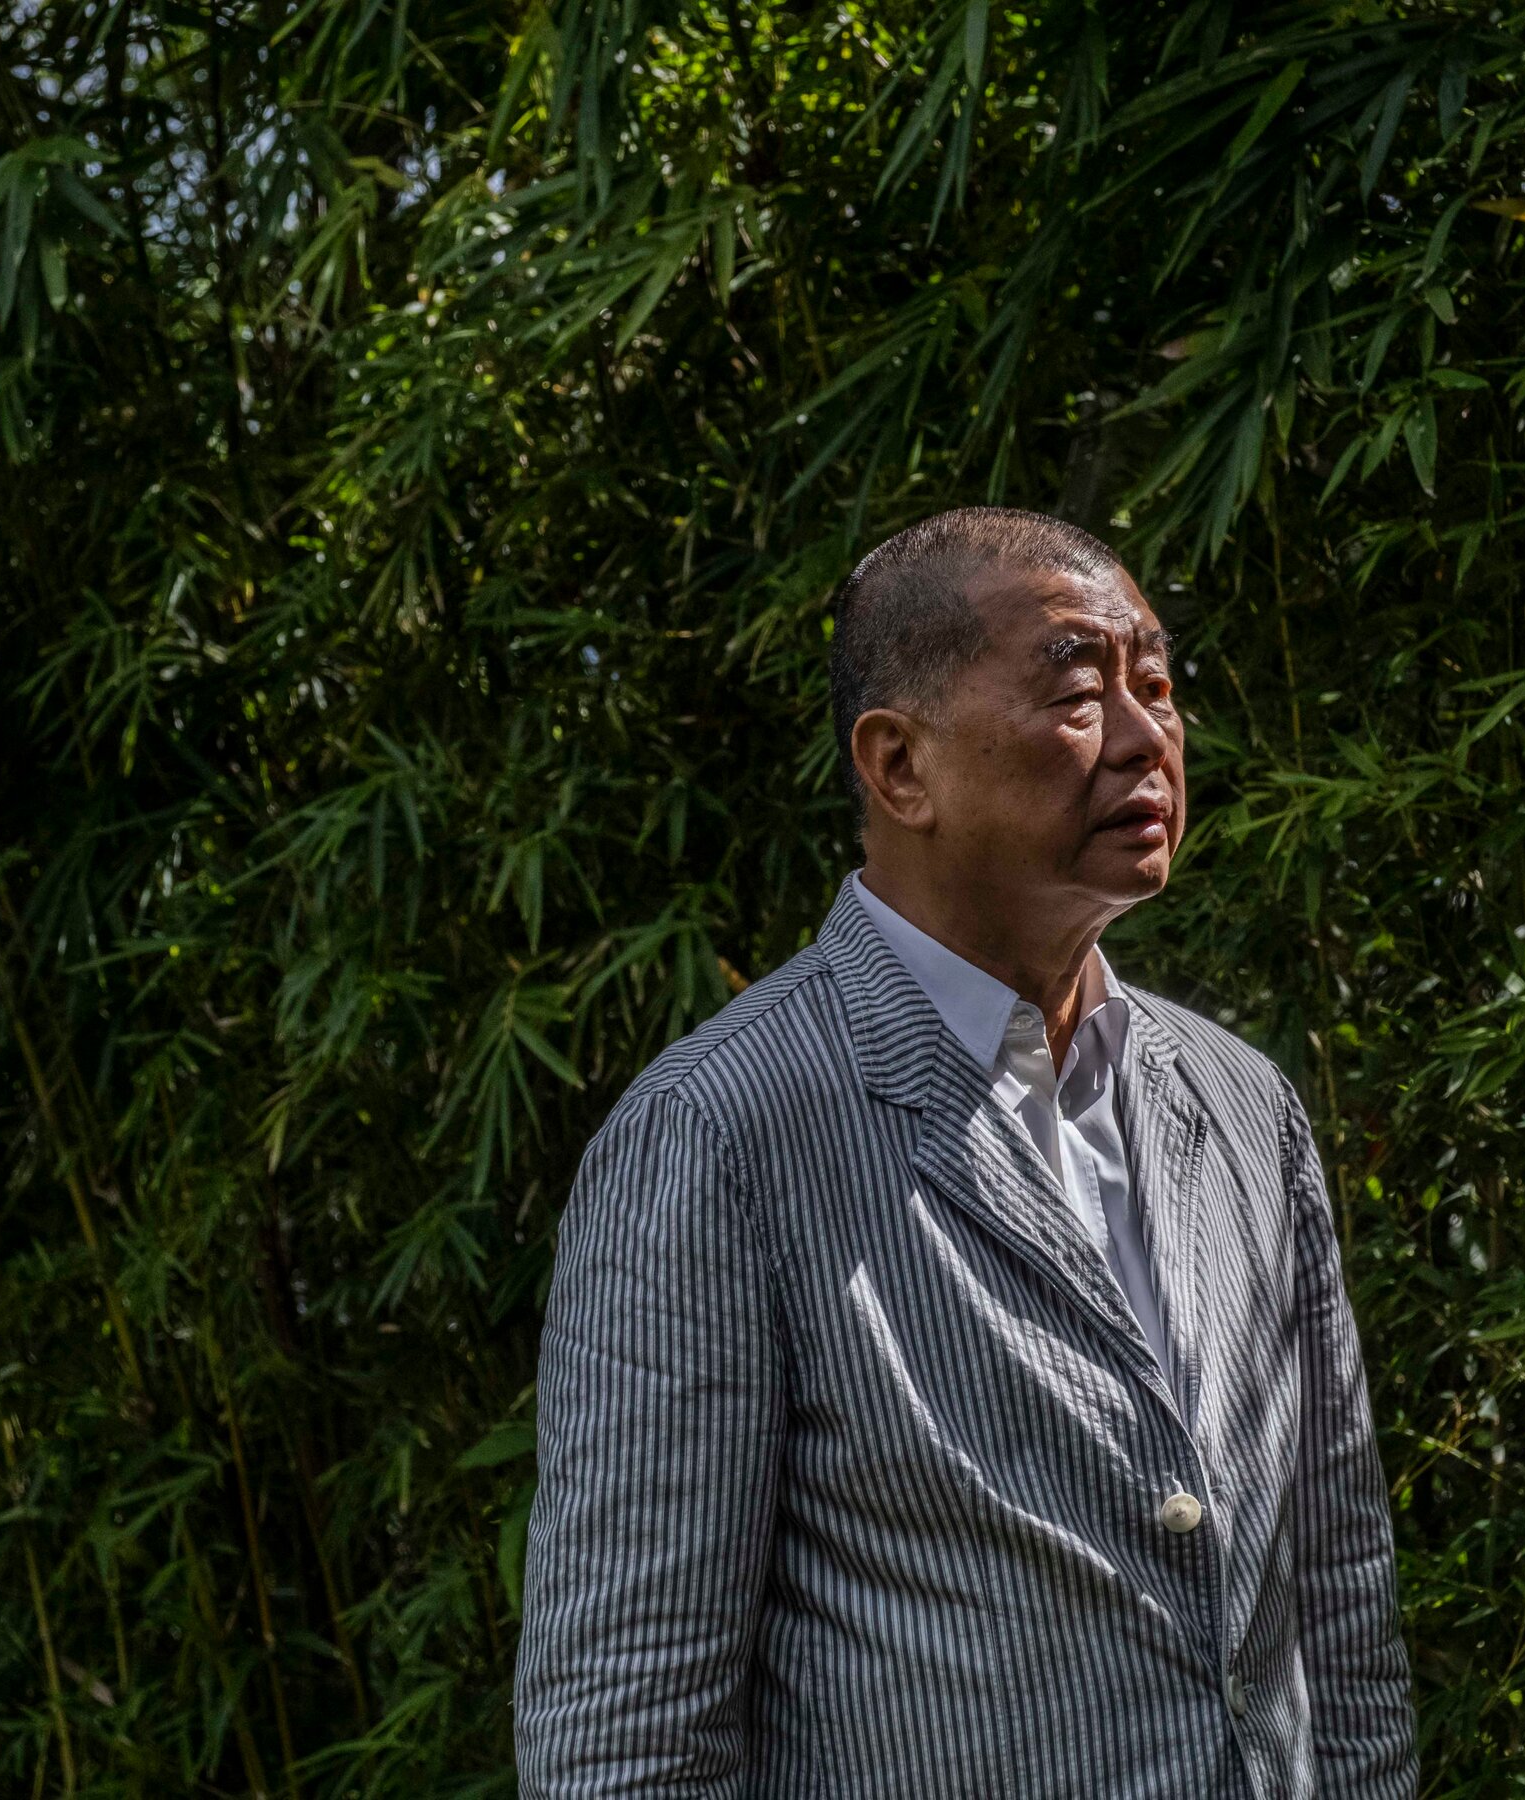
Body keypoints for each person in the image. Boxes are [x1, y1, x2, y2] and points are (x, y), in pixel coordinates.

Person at [514, 508, 1418, 1799]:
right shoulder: (721, 1140)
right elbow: (629, 1735)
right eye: (1078, 693)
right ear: (899, 767)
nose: (1146, 738)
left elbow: (1340, 1615)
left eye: (1158, 687)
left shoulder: (1241, 1107)